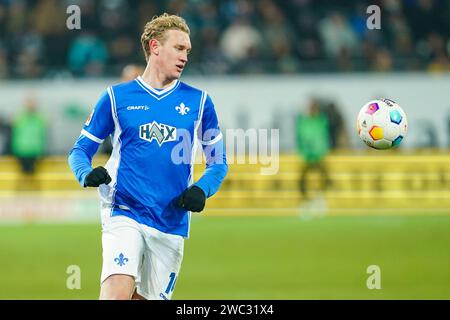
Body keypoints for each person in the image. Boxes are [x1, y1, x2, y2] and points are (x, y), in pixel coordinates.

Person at [68, 13, 228, 300]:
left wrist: (202, 190)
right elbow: (80, 150)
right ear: (155, 47)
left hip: (170, 219)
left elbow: (218, 162)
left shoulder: (200, 102)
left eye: (188, 51)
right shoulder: (116, 97)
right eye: (179, 48)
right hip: (124, 211)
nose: (185, 56)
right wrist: (86, 173)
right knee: (116, 295)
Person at [296, 99, 331, 198]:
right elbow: (301, 137)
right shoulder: (304, 122)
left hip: (318, 154)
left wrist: (322, 150)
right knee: (303, 177)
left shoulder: (321, 121)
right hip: (307, 154)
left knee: (324, 175)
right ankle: (304, 196)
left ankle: (323, 194)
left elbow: (323, 136)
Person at [11, 96, 47, 190]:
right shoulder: (20, 118)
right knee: (24, 173)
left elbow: (41, 135)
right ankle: (24, 190)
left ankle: (31, 190)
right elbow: (16, 134)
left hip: (34, 150)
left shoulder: (39, 119)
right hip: (22, 149)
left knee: (32, 173)